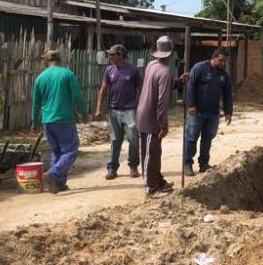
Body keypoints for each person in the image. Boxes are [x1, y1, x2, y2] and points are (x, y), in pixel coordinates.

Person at [31, 49, 87, 193]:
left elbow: (36, 103)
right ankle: (53, 174)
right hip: (64, 120)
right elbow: (77, 96)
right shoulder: (67, 74)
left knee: (57, 151)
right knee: (71, 150)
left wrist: (34, 122)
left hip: (47, 121)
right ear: (60, 60)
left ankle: (58, 184)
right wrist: (84, 113)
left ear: (46, 62)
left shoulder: (40, 78)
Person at [136, 35, 184, 197]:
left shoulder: (151, 65)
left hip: (144, 113)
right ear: (170, 54)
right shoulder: (164, 71)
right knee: (150, 152)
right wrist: (163, 125)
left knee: (155, 151)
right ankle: (150, 187)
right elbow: (162, 101)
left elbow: (164, 84)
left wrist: (178, 81)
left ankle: (158, 180)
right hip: (151, 118)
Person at [94, 44, 141, 180]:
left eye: (112, 54)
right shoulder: (109, 70)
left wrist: (141, 107)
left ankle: (133, 166)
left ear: (120, 54)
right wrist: (98, 108)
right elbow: (103, 90)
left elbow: (141, 89)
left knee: (133, 139)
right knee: (115, 140)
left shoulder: (133, 71)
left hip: (130, 111)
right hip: (114, 111)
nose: (109, 56)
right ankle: (112, 168)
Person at [183, 48, 233, 176]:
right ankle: (187, 164)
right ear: (214, 57)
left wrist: (228, 112)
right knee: (191, 138)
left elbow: (227, 95)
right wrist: (191, 105)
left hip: (213, 113)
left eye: (225, 61)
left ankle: (204, 164)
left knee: (207, 139)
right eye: (221, 60)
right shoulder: (199, 68)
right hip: (196, 112)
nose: (223, 64)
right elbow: (190, 86)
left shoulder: (224, 75)